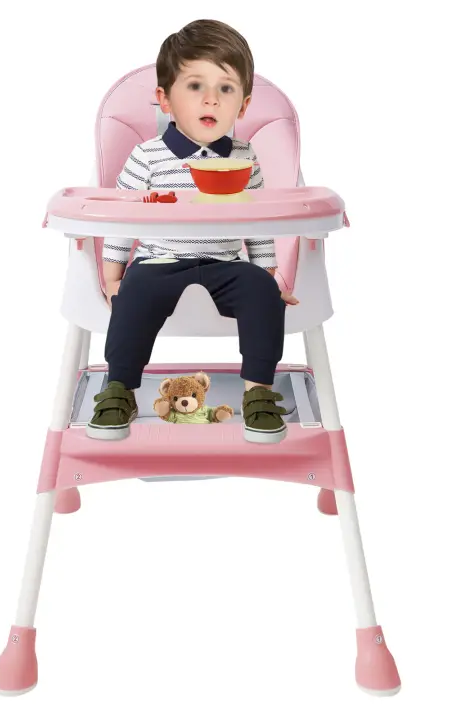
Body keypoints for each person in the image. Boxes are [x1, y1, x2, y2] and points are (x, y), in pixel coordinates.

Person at [86, 18, 298, 444]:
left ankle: (258, 393)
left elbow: (259, 220)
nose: (211, 99)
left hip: (225, 263)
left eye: (226, 88)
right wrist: (112, 275)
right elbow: (122, 216)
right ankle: (119, 389)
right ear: (165, 100)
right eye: (195, 86)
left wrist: (268, 274)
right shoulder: (147, 156)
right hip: (159, 260)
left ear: (242, 106)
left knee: (262, 292)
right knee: (133, 295)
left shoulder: (245, 157)